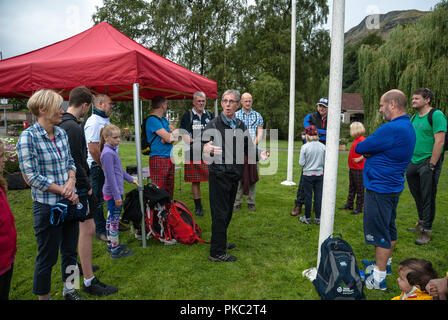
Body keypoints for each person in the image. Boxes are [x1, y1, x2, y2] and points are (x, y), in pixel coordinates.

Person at [16, 89, 81, 300]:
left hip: (69, 202)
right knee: (47, 257)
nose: (62, 110)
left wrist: (71, 180)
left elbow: (71, 162)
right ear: (43, 109)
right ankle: (44, 297)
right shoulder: (28, 137)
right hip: (47, 207)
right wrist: (62, 189)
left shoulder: (61, 132)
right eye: (57, 106)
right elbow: (31, 177)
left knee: (71, 252)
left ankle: (70, 290)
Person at [59, 86, 118, 296]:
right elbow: (76, 160)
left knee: (73, 236)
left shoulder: (65, 124)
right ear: (85, 105)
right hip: (77, 188)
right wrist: (87, 187)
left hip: (69, 187)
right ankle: (85, 281)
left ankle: (80, 276)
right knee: (85, 231)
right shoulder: (73, 127)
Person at [355, 89, 416, 291]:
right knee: (389, 228)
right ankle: (386, 265)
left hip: (380, 188)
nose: (380, 109)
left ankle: (378, 278)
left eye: (382, 105)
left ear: (392, 104)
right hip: (392, 186)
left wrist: (371, 153)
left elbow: (361, 148)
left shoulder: (392, 128)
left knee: (380, 233)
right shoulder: (408, 126)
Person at [202, 89, 268, 262]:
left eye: (232, 101)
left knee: (228, 212)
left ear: (238, 104)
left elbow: (248, 147)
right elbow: (200, 145)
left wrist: (259, 154)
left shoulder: (240, 125)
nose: (228, 104)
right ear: (222, 103)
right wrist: (205, 148)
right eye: (225, 101)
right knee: (219, 213)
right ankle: (216, 253)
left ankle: (220, 243)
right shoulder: (213, 124)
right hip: (218, 174)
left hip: (234, 175)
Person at [406, 88, 447, 245]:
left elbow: (440, 141)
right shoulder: (414, 117)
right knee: (417, 195)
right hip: (413, 162)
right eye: (412, 98)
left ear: (427, 100)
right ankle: (422, 222)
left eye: (416, 98)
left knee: (428, 196)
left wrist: (432, 164)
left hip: (428, 162)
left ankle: (426, 231)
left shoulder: (436, 115)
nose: (413, 101)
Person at [100, 124, 139, 259]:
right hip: (113, 193)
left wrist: (130, 179)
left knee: (111, 219)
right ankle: (115, 250)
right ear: (106, 138)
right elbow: (110, 177)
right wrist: (117, 196)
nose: (118, 140)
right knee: (114, 221)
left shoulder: (111, 151)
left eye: (119, 137)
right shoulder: (107, 154)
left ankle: (112, 245)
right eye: (115, 138)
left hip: (114, 192)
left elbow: (118, 170)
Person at [84, 94, 115, 242]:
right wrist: (104, 166)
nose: (112, 106)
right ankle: (101, 230)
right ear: (101, 104)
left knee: (112, 195)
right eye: (110, 104)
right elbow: (93, 149)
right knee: (98, 200)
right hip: (98, 167)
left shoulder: (103, 120)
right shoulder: (94, 122)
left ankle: (113, 223)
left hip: (106, 165)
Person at [291, 97, 328, 216]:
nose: (321, 108)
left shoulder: (332, 117)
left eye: (324, 106)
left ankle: (317, 205)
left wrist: (317, 132)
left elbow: (332, 132)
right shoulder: (310, 116)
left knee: (323, 178)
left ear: (328, 108)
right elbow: (308, 128)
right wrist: (322, 132)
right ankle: (298, 204)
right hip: (310, 147)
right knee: (304, 178)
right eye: (319, 106)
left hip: (325, 148)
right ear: (317, 106)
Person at [179, 91, 214, 216]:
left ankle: (215, 203)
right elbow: (185, 136)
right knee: (195, 181)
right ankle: (198, 206)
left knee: (214, 178)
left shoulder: (209, 115)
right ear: (193, 102)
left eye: (203, 101)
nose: (201, 103)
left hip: (209, 153)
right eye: (198, 101)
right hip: (193, 153)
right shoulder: (187, 116)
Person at [233, 92, 264, 212]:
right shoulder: (235, 116)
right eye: (245, 101)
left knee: (252, 175)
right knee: (238, 177)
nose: (248, 103)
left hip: (253, 150)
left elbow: (259, 134)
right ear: (241, 102)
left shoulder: (257, 115)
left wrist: (252, 145)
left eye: (250, 101)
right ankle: (237, 202)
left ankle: (251, 202)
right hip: (239, 150)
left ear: (252, 101)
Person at [146, 96, 178, 199]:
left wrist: (169, 136)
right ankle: (157, 214)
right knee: (159, 190)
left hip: (169, 158)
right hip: (158, 158)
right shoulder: (152, 120)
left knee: (169, 189)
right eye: (166, 104)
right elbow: (170, 138)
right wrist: (169, 136)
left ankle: (168, 213)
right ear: (163, 105)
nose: (167, 106)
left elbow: (176, 134)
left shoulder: (163, 120)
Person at [297, 125, 326, 225]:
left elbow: (301, 163)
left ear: (307, 135)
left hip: (307, 175)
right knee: (318, 196)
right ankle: (318, 218)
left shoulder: (304, 147)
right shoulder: (323, 147)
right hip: (319, 174)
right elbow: (325, 162)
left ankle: (307, 217)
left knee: (308, 196)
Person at [0, 139, 17, 300]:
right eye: (1, 156)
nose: (5, 159)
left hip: (7, 260)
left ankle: (71, 287)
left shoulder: (1, 187)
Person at [339, 122, 366, 215]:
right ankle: (349, 204)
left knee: (360, 189)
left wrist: (360, 158)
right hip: (353, 167)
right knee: (352, 187)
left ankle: (359, 208)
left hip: (359, 168)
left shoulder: (362, 140)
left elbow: (369, 152)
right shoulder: (356, 139)